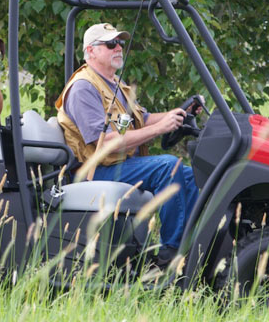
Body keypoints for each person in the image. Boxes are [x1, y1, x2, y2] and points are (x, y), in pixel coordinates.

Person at [54, 22, 200, 260]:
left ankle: (191, 246)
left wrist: (179, 114)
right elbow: (108, 141)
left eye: (120, 43)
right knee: (167, 166)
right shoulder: (83, 88)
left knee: (190, 174)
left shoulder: (114, 85)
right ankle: (169, 254)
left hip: (118, 166)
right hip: (96, 171)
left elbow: (143, 119)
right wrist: (161, 129)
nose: (118, 48)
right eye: (111, 44)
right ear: (90, 51)